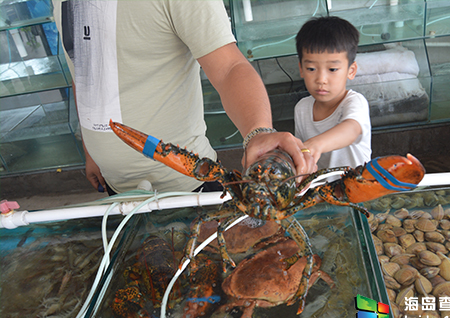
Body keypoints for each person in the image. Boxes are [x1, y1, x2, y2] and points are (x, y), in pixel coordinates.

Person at [52, 1, 314, 194]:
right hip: (114, 186)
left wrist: (258, 130)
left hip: (189, 187)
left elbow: (229, 68)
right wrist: (91, 151)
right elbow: (83, 71)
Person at [294, 16, 371, 171]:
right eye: (311, 69)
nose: (321, 79)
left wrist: (317, 144)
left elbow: (351, 130)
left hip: (356, 190)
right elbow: (303, 155)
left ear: (351, 70)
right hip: (320, 190)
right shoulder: (302, 108)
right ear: (301, 69)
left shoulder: (355, 102)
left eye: (332, 69)